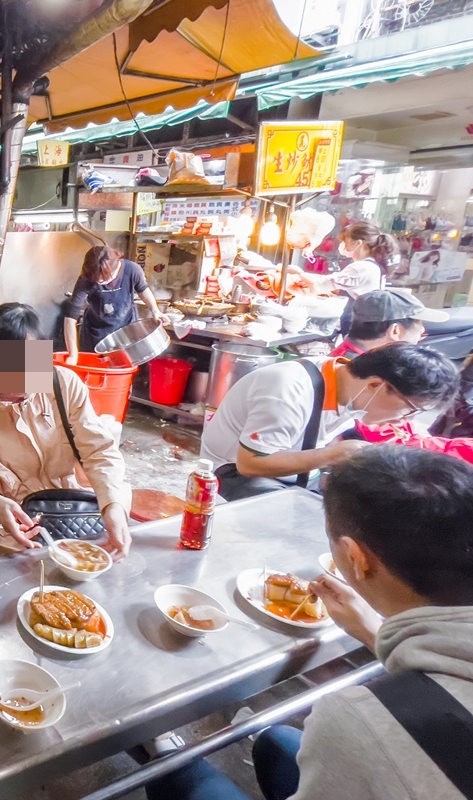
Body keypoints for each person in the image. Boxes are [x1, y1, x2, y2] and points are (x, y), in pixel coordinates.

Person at [145, 445, 473, 800]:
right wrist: (372, 633)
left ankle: (167, 760)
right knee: (278, 740)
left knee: (176, 773)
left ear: (354, 557)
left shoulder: (357, 721)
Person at [0, 303, 133, 561]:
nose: (27, 378)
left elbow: (98, 450)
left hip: (69, 518)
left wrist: (113, 504)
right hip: (6, 532)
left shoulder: (63, 384)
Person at [200, 343, 458, 501]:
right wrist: (332, 456)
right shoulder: (288, 391)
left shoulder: (344, 383)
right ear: (376, 385)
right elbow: (250, 464)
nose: (406, 419)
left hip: (297, 473)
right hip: (233, 471)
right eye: (410, 410)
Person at [55, 245, 168, 354]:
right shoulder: (87, 278)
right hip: (95, 335)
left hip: (127, 332)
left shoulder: (132, 270)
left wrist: (155, 310)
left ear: (116, 267)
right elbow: (70, 317)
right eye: (97, 281)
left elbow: (143, 289)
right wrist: (73, 354)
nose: (100, 282)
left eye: (104, 279)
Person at [330, 289, 446, 359]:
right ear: (396, 331)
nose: (422, 330)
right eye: (418, 324)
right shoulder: (370, 376)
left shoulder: (345, 356)